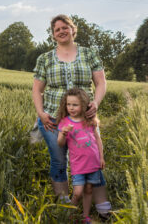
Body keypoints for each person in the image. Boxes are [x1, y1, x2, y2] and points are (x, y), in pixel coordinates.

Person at [32, 14, 111, 218]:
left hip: (85, 118)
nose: (61, 31)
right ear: (53, 35)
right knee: (59, 160)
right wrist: (41, 114)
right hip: (53, 120)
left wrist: (95, 103)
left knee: (91, 155)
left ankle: (102, 206)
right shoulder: (45, 58)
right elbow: (36, 90)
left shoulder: (89, 54)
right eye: (57, 29)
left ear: (73, 29)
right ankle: (64, 204)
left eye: (65, 27)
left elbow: (101, 83)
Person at [57, 88, 105, 223]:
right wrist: (63, 134)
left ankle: (85, 216)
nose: (71, 108)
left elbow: (98, 140)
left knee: (89, 189)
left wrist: (101, 157)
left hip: (93, 162)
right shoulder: (65, 122)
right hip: (78, 164)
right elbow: (60, 144)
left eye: (75, 105)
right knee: (77, 192)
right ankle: (69, 213)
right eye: (68, 104)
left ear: (83, 105)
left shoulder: (89, 120)